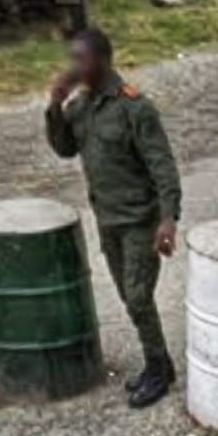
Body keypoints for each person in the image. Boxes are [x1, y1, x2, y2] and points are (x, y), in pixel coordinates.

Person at [44, 27, 181, 409]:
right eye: (72, 58)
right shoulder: (81, 107)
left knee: (138, 297)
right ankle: (161, 364)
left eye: (81, 59)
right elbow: (65, 149)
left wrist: (168, 219)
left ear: (103, 61)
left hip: (141, 221)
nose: (74, 66)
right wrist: (55, 105)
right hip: (108, 220)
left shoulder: (134, 107)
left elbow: (163, 167)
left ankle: (158, 367)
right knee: (127, 296)